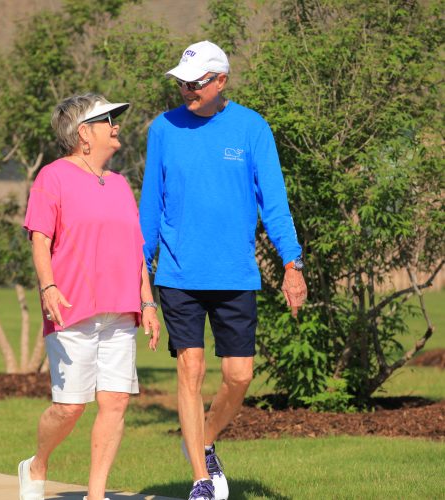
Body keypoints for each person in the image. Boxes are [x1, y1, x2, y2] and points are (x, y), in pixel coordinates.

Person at [139, 41, 307, 500]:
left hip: (235, 275)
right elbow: (150, 205)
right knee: (189, 372)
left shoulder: (252, 129)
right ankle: (200, 479)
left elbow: (274, 204)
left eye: (194, 83)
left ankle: (206, 439)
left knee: (239, 376)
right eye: (181, 82)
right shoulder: (163, 130)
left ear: (220, 81)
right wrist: (140, 276)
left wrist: (293, 264)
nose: (185, 90)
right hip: (178, 275)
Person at [20, 93, 160, 500]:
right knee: (70, 407)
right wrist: (48, 286)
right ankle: (37, 464)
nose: (116, 125)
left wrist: (147, 303)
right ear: (84, 133)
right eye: (107, 120)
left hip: (120, 311)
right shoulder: (52, 177)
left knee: (115, 403)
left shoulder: (119, 184)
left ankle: (95, 495)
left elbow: (135, 249)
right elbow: (40, 240)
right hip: (70, 308)